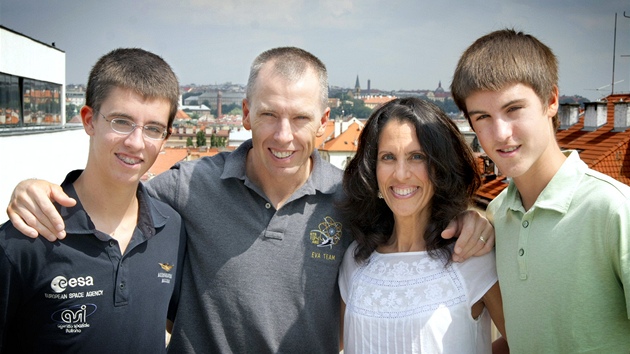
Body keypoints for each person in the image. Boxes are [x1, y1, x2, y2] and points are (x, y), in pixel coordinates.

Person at [6, 47, 494, 353]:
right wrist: (40, 188)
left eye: (300, 119)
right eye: (268, 115)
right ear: (244, 113)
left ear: (324, 121)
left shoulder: (354, 198)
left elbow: (412, 208)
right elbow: (117, 189)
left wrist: (472, 218)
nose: (284, 136)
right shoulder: (191, 185)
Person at [450, 28, 630, 352]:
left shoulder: (615, 209)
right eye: (483, 117)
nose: (501, 133)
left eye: (513, 109)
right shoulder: (498, 214)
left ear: (550, 101)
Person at [0, 48, 187, 353]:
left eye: (153, 128)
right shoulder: (24, 240)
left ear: (165, 136)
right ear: (89, 120)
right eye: (121, 121)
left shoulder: (172, 229)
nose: (136, 142)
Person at [339, 97, 507, 353]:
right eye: (388, 157)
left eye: (417, 156)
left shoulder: (473, 256)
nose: (401, 173)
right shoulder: (355, 260)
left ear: (440, 166)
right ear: (372, 168)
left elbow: (526, 342)